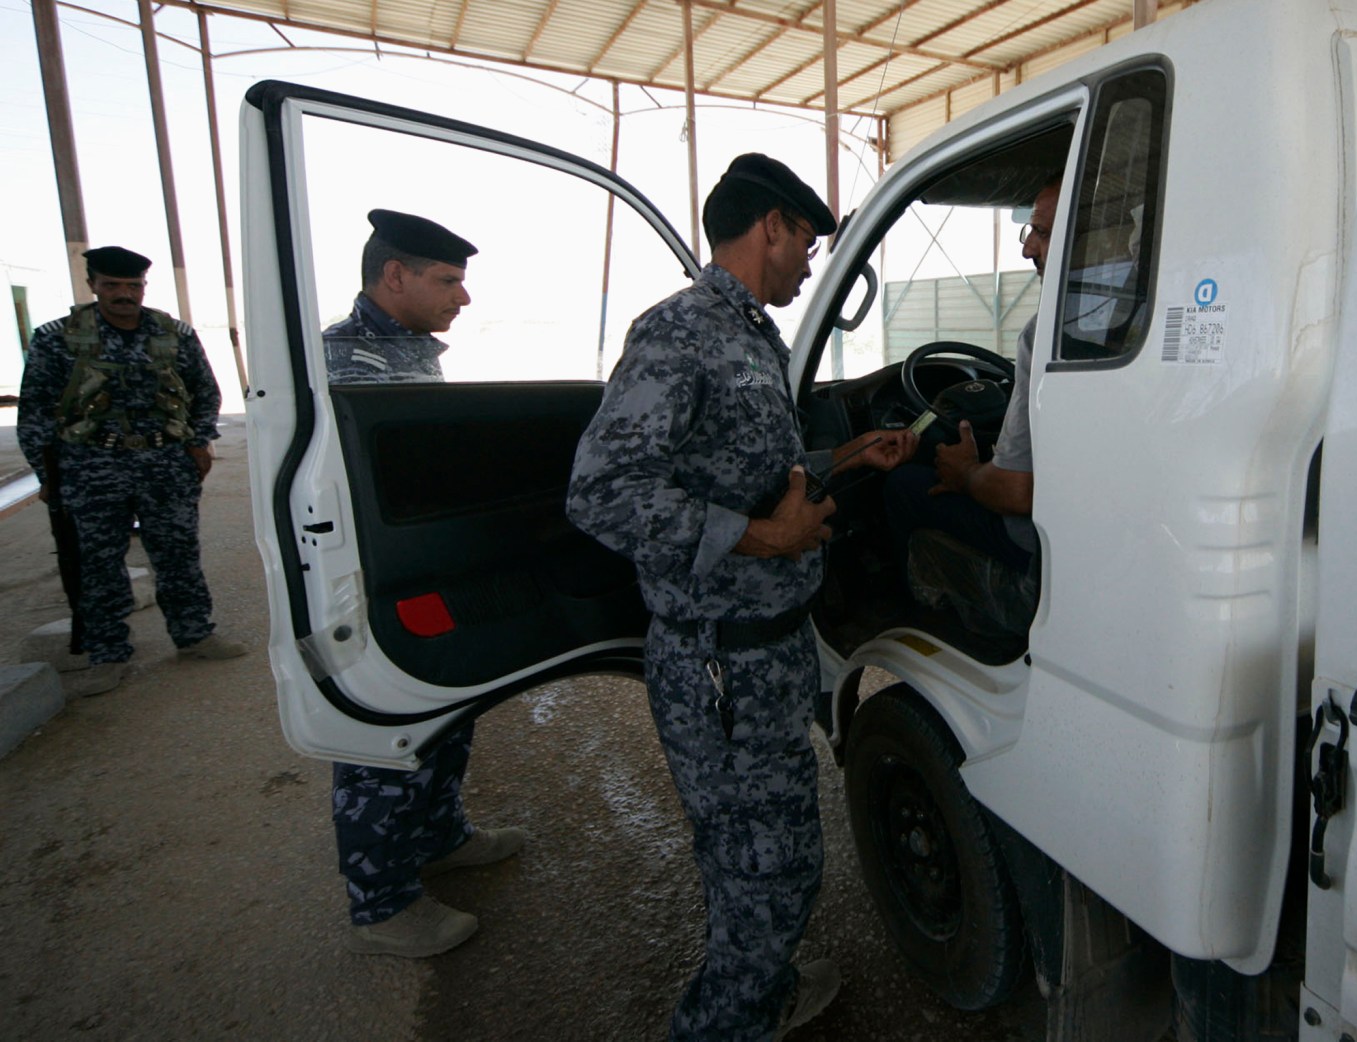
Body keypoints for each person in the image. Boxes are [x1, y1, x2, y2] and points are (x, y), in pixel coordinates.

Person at [566, 154, 915, 1041]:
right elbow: (601, 492)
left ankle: (759, 992)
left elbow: (750, 472)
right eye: (806, 243)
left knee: (754, 861)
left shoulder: (752, 335)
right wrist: (764, 538)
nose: (808, 264)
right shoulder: (680, 331)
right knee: (771, 871)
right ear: (772, 228)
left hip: (768, 652)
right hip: (720, 662)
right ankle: (726, 1022)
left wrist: (847, 457)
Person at [322, 209, 525, 959]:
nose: (462, 298)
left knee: (444, 708)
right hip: (370, 581)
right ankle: (381, 902)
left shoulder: (404, 350)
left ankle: (439, 836)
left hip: (419, 569)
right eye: (447, 281)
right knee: (385, 730)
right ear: (394, 275)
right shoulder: (344, 360)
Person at [18, 246, 248, 698]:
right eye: (112, 285)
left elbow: (206, 392)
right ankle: (108, 654)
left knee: (178, 553)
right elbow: (36, 411)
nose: (124, 295)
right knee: (98, 562)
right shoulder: (58, 338)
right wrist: (48, 474)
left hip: (165, 464)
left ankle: (194, 635)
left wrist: (198, 441)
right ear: (93, 285)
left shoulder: (173, 335)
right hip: (92, 465)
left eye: (133, 286)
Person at [882, 179, 1062, 607]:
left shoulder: (1047, 334)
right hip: (1084, 538)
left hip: (1034, 547)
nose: (1027, 249)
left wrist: (964, 472)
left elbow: (1015, 492)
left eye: (1042, 232)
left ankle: (910, 613)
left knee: (904, 484)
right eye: (1030, 231)